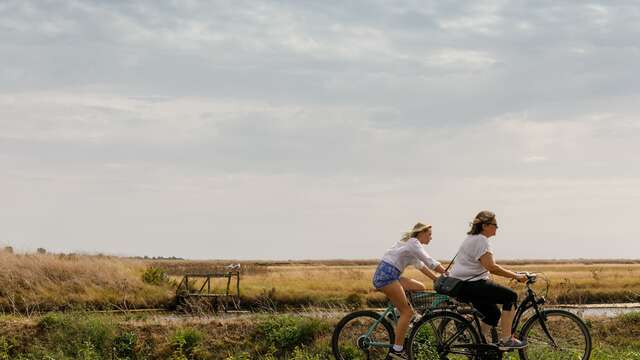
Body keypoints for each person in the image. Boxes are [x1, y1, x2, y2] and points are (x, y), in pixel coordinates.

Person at [448, 210, 529, 350]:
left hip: (462, 285)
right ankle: (506, 340)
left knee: (493, 314)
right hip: (471, 284)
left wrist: (514, 274)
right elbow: (492, 267)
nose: (497, 228)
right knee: (510, 296)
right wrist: (516, 276)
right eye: (495, 225)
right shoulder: (481, 240)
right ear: (485, 225)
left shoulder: (472, 238)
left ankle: (480, 344)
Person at [372, 222, 448, 359]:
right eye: (429, 234)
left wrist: (435, 278)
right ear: (421, 233)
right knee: (407, 312)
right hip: (386, 277)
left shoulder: (411, 245)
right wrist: (446, 273)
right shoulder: (413, 242)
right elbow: (429, 261)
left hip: (391, 275)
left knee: (420, 288)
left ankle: (396, 312)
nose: (431, 238)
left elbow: (421, 265)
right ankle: (397, 350)